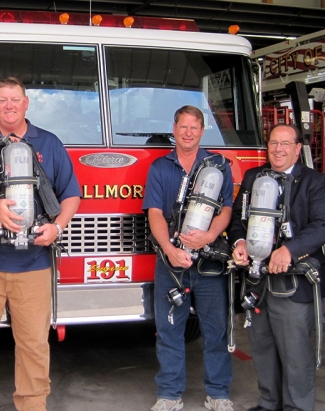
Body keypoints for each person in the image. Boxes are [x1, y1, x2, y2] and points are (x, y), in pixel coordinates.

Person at [0, 77, 81, 411]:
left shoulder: (49, 143)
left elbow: (71, 194)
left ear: (26, 104)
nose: (8, 106)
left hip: (35, 266)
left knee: (34, 345)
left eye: (15, 100)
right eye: (1, 100)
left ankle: (32, 406)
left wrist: (57, 227)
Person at [228, 124, 325, 411]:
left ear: (297, 148)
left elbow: (323, 226)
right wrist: (239, 242)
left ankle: (297, 407)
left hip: (294, 286)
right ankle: (269, 403)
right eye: (274, 143)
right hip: (258, 282)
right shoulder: (253, 177)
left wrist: (289, 249)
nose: (278, 149)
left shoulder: (315, 182)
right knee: (262, 346)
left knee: (295, 353)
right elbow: (238, 219)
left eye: (285, 144)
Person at [143, 105, 234, 411]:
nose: (188, 132)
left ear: (202, 130)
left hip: (209, 262)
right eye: (183, 126)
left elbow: (226, 210)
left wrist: (209, 236)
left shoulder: (218, 166)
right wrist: (169, 250)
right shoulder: (159, 167)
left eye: (194, 127)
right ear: (174, 128)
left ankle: (218, 394)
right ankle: (169, 395)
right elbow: (154, 213)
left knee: (215, 330)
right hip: (170, 263)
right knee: (169, 331)